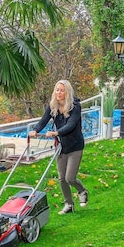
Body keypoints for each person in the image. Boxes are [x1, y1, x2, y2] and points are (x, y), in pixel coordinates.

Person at [28, 80, 88, 214]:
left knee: (70, 178)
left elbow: (71, 125)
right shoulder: (53, 106)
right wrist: (36, 130)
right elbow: (43, 120)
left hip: (75, 145)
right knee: (61, 178)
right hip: (62, 146)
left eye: (62, 90)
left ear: (67, 92)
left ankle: (82, 191)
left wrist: (57, 132)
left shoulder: (75, 106)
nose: (59, 93)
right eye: (57, 90)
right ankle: (69, 204)